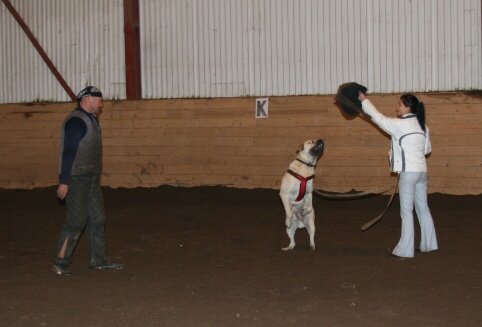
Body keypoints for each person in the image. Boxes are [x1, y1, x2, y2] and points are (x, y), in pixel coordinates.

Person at [52, 86, 124, 275]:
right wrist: (65, 181)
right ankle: (60, 262)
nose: (101, 105)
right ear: (89, 99)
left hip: (90, 177)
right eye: (99, 100)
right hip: (76, 178)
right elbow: (69, 152)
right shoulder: (76, 122)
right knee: (75, 222)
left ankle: (98, 259)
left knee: (97, 219)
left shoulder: (91, 120)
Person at [358, 92, 438, 258]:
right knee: (423, 208)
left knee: (406, 211)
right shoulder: (423, 126)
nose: (397, 107)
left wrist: (364, 100)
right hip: (422, 171)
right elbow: (427, 150)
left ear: (408, 107)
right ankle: (429, 245)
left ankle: (405, 250)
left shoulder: (399, 125)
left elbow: (377, 117)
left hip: (409, 173)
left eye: (399, 104)